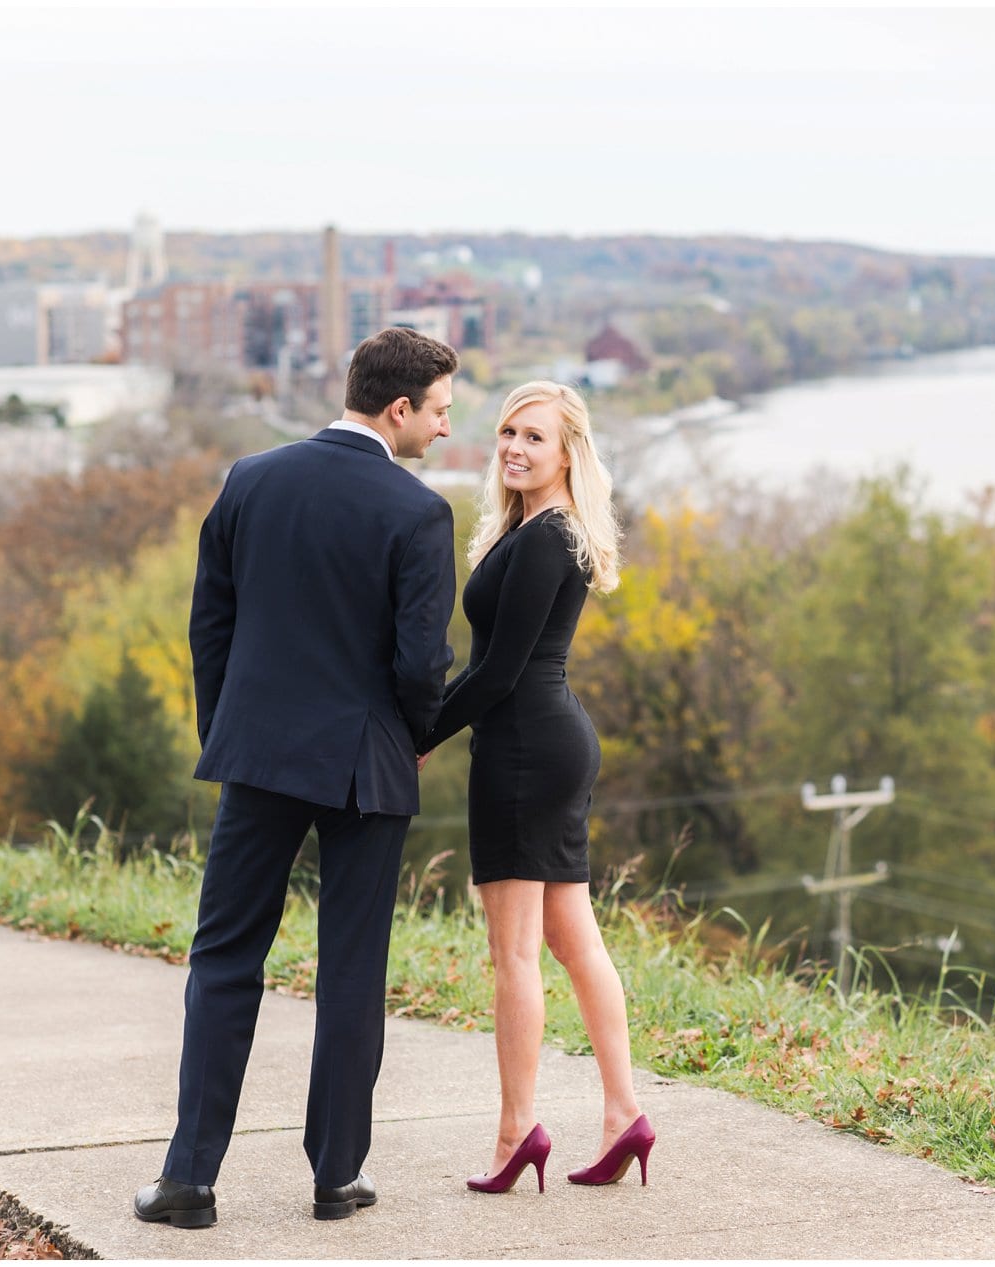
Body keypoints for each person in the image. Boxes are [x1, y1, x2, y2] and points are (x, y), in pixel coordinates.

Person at [134, 327, 460, 1228]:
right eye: (437, 412)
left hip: (259, 755)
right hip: (365, 766)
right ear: (398, 408)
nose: (442, 431)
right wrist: (418, 736)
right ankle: (335, 1177)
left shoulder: (252, 478)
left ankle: (189, 1180)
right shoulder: (418, 514)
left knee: (224, 958)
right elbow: (419, 663)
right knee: (352, 969)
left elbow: (212, 624)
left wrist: (230, 732)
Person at [417, 381, 654, 1195]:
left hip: (524, 751)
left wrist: (421, 736)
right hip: (547, 742)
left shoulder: (549, 537)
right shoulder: (536, 529)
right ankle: (625, 1114)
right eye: (508, 432)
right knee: (569, 940)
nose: (515, 447)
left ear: (568, 454)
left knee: (513, 953)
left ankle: (517, 1130)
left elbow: (498, 672)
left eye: (536, 438)